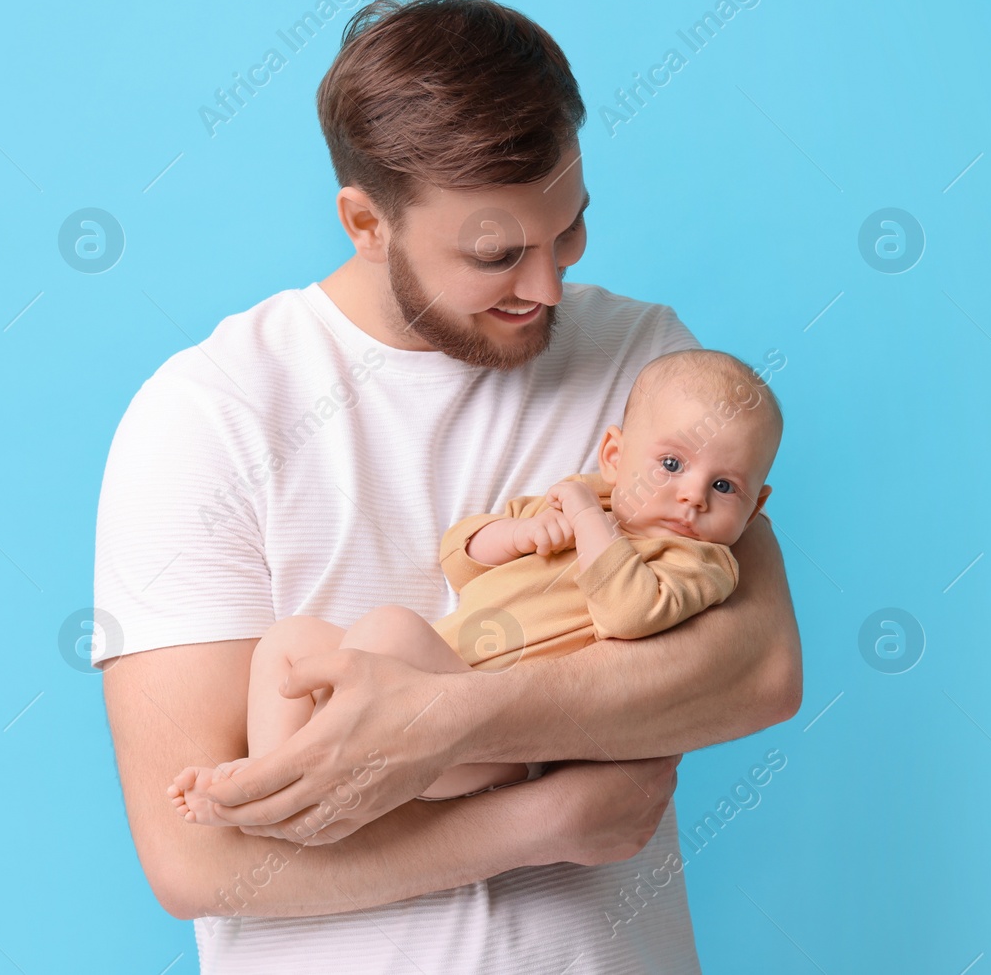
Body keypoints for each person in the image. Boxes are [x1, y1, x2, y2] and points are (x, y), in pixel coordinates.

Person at [93, 0, 801, 973]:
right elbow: (194, 856)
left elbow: (758, 669)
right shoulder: (207, 415)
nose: (547, 285)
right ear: (364, 222)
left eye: (569, 230)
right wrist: (542, 819)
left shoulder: (650, 371)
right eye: (496, 253)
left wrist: (456, 716)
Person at [167, 349, 784, 819]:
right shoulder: (579, 498)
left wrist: (590, 522)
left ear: (755, 508)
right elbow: (460, 560)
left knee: (387, 628)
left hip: (492, 743)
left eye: (724, 486)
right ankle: (267, 778)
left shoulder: (700, 562)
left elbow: (628, 612)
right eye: (671, 464)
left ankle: (278, 786)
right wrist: (514, 535)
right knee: (291, 639)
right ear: (616, 456)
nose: (691, 495)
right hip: (430, 673)